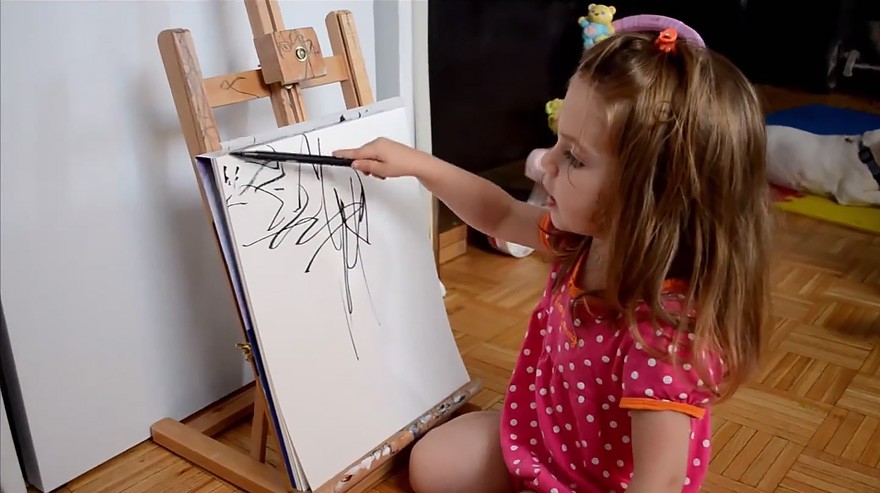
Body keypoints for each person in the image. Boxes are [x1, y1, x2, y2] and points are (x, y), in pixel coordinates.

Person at [334, 26, 771, 493]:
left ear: (652, 197)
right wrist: (417, 164)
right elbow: (501, 214)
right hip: (545, 440)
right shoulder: (582, 240)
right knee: (433, 464)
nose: (547, 163)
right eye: (558, 141)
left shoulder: (663, 338)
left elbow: (659, 482)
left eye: (575, 158)